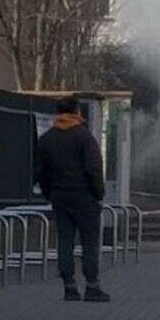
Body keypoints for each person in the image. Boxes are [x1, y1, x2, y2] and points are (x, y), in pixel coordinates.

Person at [33, 97, 109, 303]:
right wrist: (98, 193)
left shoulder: (47, 139)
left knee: (64, 241)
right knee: (89, 242)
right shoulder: (84, 137)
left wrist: (50, 193)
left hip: (60, 196)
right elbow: (94, 168)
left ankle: (69, 287)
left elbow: (40, 172)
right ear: (76, 111)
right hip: (84, 196)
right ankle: (92, 286)